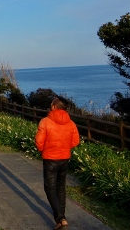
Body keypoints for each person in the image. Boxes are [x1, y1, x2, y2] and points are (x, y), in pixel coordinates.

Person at [35, 97, 80, 230]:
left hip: (50, 159)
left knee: (50, 189)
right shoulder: (71, 123)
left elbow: (39, 142)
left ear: (54, 106)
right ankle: (60, 220)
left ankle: (61, 218)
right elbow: (75, 141)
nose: (50, 104)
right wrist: (64, 147)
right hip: (64, 158)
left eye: (51, 103)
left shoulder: (45, 122)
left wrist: (44, 149)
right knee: (61, 188)